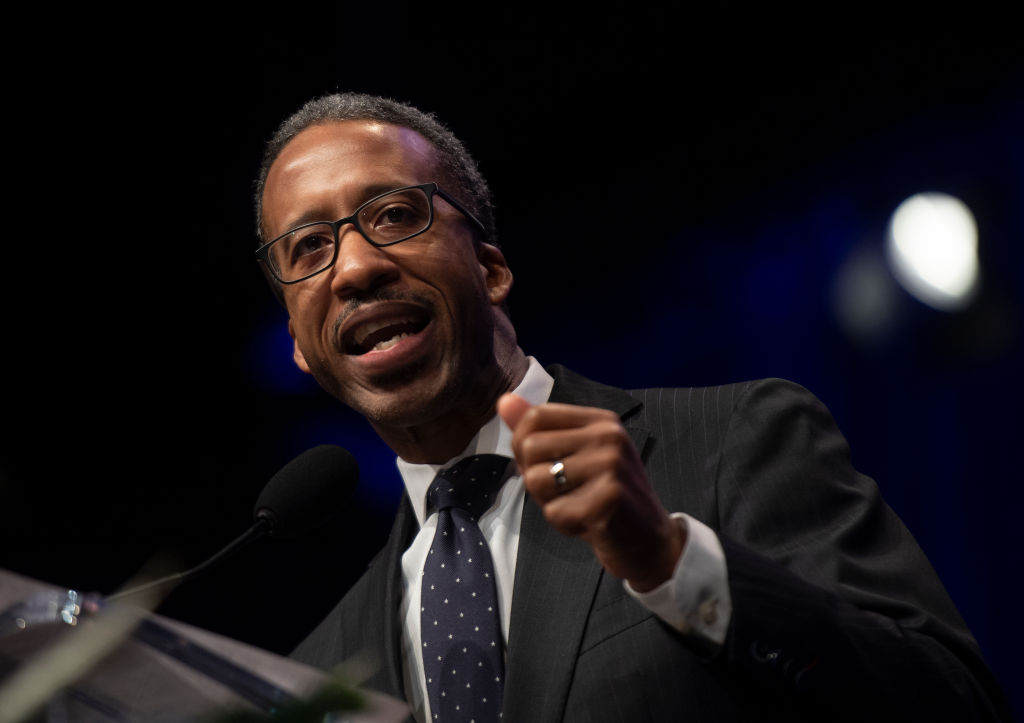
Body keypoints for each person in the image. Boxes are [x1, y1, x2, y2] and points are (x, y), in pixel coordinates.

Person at [251, 92, 1011, 722]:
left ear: (490, 268)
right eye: (308, 247)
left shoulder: (736, 441)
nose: (353, 266)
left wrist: (674, 564)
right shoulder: (321, 670)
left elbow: (953, 707)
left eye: (392, 215)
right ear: (299, 344)